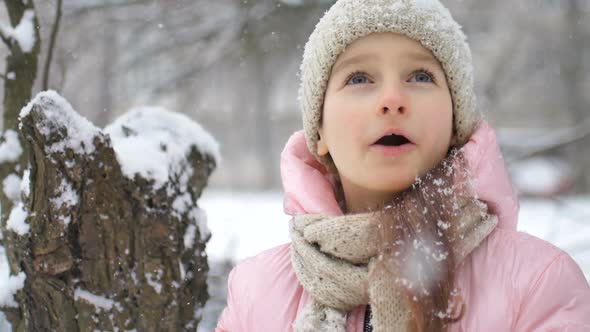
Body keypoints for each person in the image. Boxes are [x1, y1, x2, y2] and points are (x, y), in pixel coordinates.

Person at [216, 0, 590, 331]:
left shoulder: (536, 281)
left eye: (421, 77)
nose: (392, 99)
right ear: (320, 130)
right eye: (359, 78)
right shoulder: (255, 291)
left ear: (456, 124)